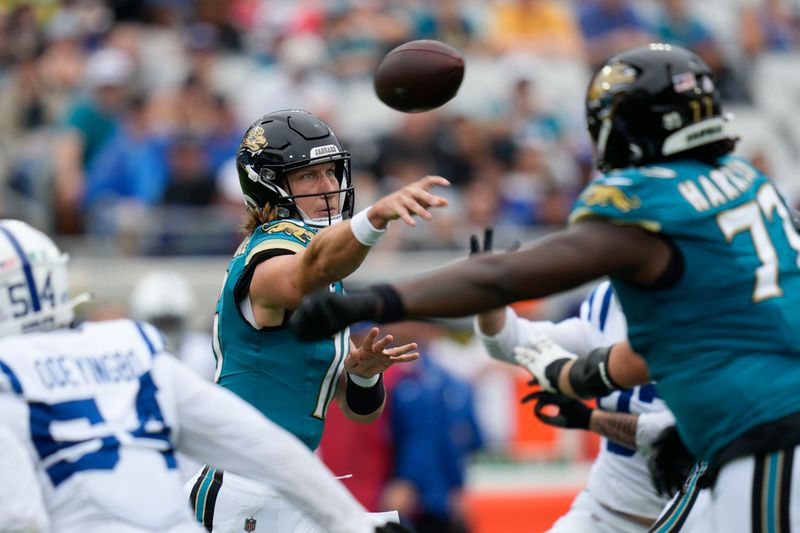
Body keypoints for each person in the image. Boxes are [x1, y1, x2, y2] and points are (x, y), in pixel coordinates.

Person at [290, 44, 800, 532]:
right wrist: (572, 380)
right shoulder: (747, 185)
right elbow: (653, 350)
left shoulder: (655, 204)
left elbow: (510, 275)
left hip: (766, 431)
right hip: (739, 436)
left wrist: (371, 300)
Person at [0, 219, 404, 533]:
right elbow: (260, 442)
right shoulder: (130, 346)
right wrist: (349, 518)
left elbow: (20, 517)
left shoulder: (12, 375)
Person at [186, 109, 449, 532]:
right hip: (246, 488)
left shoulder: (321, 267)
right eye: (309, 176)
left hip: (296, 479)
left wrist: (362, 375)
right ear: (268, 184)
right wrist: (373, 220)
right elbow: (305, 273)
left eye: (331, 173)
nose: (328, 188)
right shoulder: (270, 256)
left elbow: (356, 410)